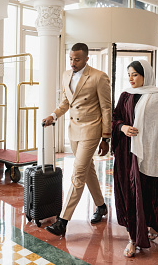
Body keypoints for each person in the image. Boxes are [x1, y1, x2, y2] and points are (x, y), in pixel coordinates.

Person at [112, 60, 158, 258]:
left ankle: (150, 225)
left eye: (134, 74)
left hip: (151, 154)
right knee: (130, 195)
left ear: (145, 75)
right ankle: (132, 239)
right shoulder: (125, 95)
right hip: (128, 155)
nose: (131, 78)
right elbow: (115, 118)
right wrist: (122, 127)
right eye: (129, 75)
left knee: (149, 194)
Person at [42, 43, 112, 237]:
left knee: (78, 174)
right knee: (88, 170)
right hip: (73, 131)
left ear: (87, 59)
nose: (73, 62)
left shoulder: (99, 77)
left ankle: (62, 221)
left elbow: (107, 108)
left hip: (91, 130)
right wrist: (53, 116)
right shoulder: (66, 75)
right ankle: (101, 206)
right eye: (71, 59)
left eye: (77, 59)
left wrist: (106, 137)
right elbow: (65, 102)